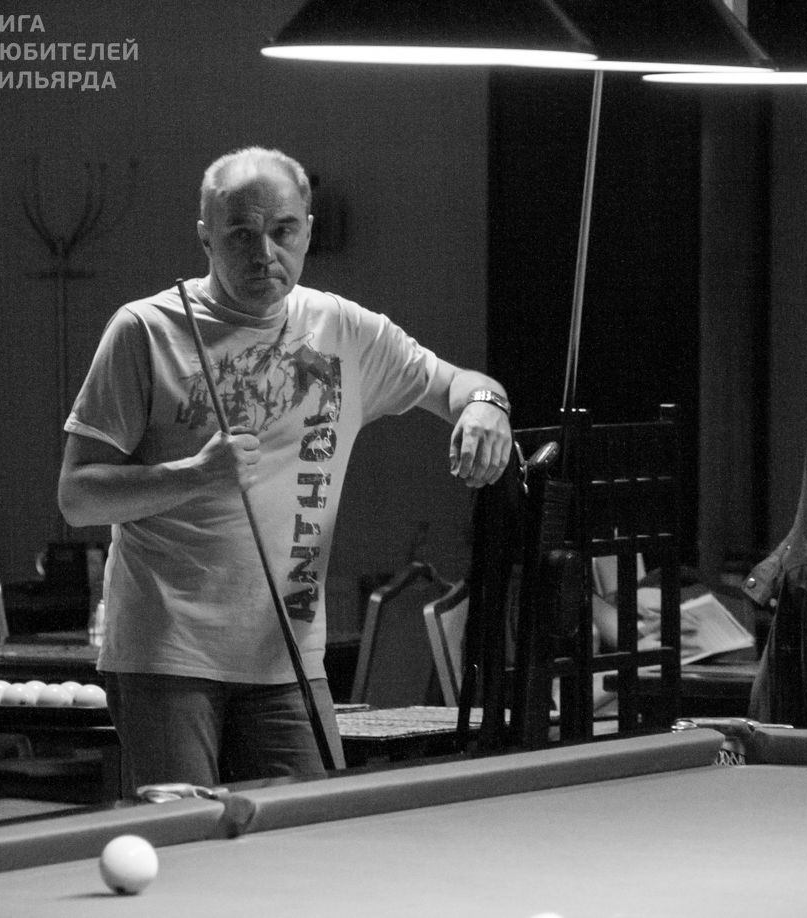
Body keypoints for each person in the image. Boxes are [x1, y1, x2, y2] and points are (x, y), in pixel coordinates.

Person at [58, 146, 512, 793]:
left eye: (283, 231)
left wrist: (487, 406)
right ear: (206, 238)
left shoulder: (344, 329)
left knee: (314, 835)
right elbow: (78, 496)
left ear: (308, 230)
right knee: (186, 842)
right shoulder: (145, 330)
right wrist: (194, 475)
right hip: (167, 654)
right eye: (241, 234)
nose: (264, 253)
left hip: (288, 658)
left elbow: (461, 385)